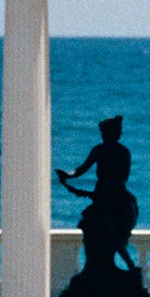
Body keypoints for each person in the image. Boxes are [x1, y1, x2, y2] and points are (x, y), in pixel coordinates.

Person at [55, 115, 140, 272]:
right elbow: (81, 169)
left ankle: (129, 265)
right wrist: (67, 175)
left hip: (115, 195)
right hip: (101, 194)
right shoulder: (98, 150)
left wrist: (104, 191)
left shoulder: (123, 152)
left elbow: (123, 177)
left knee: (112, 228)